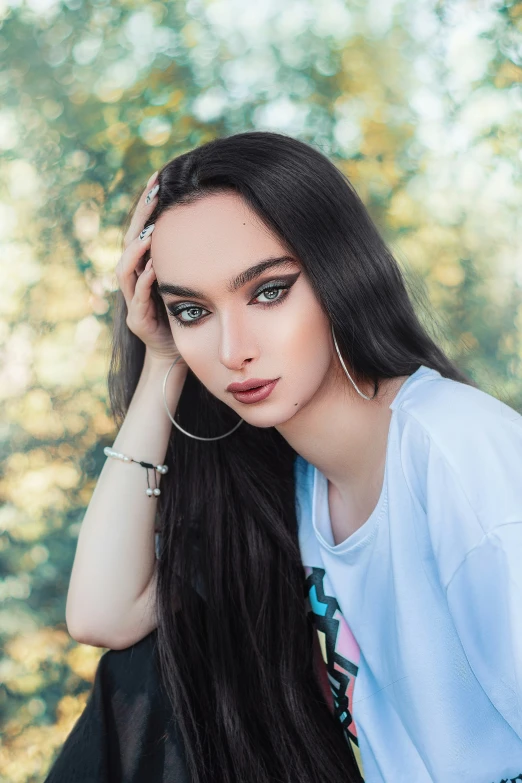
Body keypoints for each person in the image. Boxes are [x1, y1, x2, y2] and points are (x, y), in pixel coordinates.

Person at [45, 131, 522, 783]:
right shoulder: (291, 488)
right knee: (148, 670)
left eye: (268, 291)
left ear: (336, 270)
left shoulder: (458, 450)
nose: (233, 347)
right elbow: (103, 615)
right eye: (192, 310)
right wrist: (160, 363)